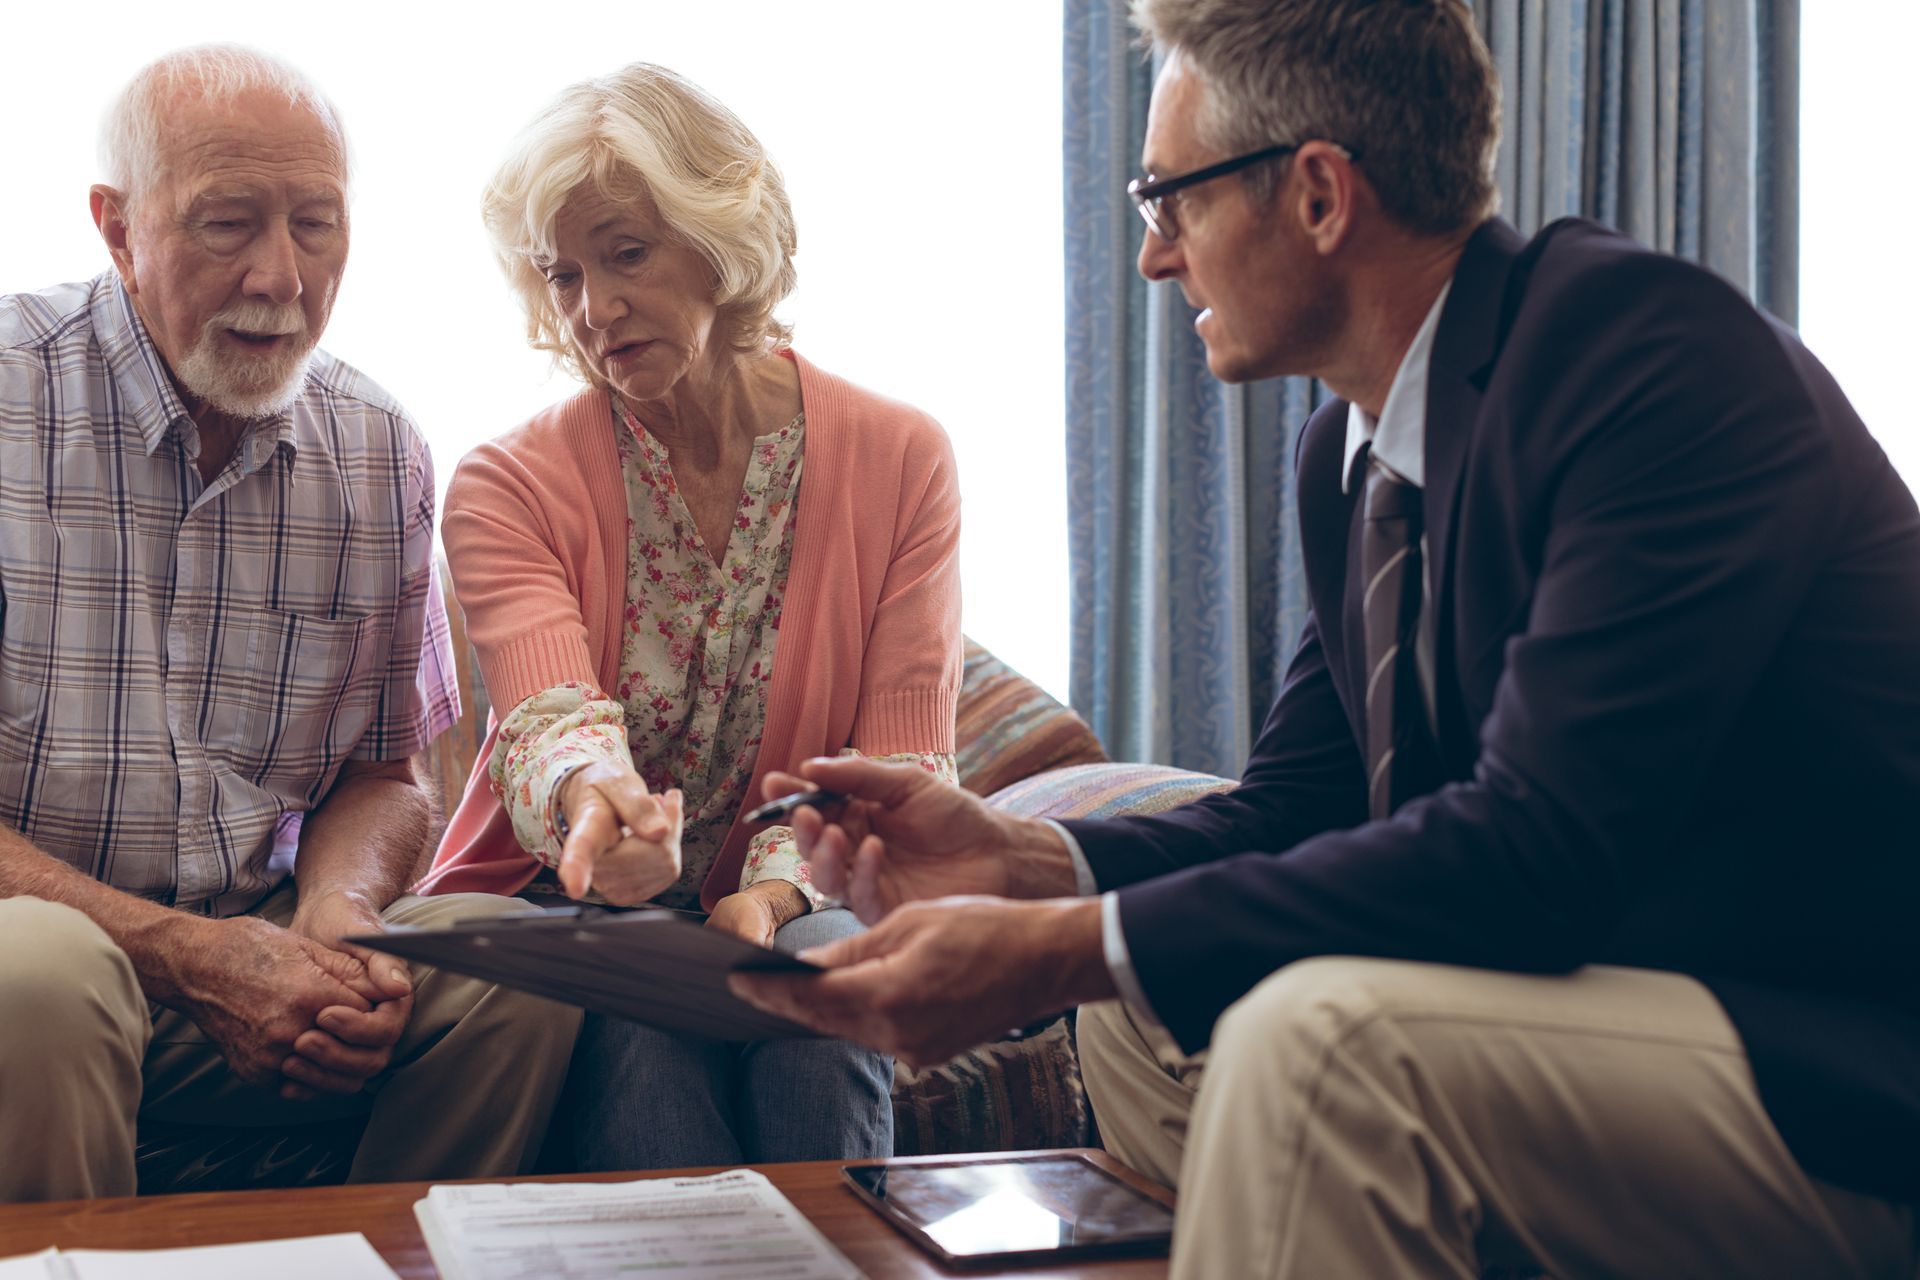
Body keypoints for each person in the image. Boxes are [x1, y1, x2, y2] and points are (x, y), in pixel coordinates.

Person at [731, 1, 1920, 1275]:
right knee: (1136, 1018)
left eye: (1167, 199)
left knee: (1319, 1040)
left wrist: (1060, 948)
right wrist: (1025, 864)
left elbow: (1541, 847)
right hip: (1587, 1011)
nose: (1154, 258)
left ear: (1316, 196)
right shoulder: (1345, 461)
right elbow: (1293, 809)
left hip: (1826, 1061)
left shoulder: (1646, 360)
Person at [0, 45, 582, 1203]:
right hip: (41, 952)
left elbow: (385, 771)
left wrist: (339, 909)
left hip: (260, 938)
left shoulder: (378, 449)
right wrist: (187, 956)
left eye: (316, 225)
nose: (281, 275)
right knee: (44, 972)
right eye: (228, 225)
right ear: (119, 231)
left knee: (526, 964)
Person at [415, 62, 961, 1172]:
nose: (592, 309)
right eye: (562, 273)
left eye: (627, 253)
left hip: (804, 891)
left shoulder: (905, 459)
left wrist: (766, 891)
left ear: (722, 238)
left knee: (826, 977)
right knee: (639, 1011)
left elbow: (903, 761)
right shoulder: (505, 483)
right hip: (572, 906)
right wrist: (598, 814)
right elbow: (548, 714)